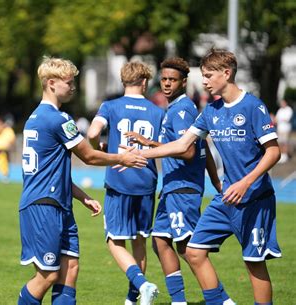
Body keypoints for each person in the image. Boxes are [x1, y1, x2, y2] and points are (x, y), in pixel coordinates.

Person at [134, 49, 281, 305]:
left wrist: (246, 182)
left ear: (227, 73)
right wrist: (142, 152)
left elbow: (274, 152)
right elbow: (183, 145)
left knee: (254, 264)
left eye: (208, 75)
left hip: (255, 198)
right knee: (194, 252)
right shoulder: (210, 110)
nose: (204, 81)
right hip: (226, 199)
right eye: (203, 75)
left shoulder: (252, 106)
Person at [18, 56, 150, 305]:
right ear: (51, 83)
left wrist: (83, 196)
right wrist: (123, 158)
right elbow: (88, 156)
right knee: (47, 276)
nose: (73, 87)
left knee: (70, 269)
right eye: (68, 82)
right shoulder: (56, 118)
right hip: (43, 205)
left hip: (58, 203)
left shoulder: (36, 117)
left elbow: (52, 170)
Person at [125, 57, 234, 305]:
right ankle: (179, 301)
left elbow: (188, 152)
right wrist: (151, 143)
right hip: (172, 188)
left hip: (183, 188)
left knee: (189, 248)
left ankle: (223, 300)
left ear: (183, 82)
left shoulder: (182, 109)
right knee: (160, 242)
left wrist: (148, 149)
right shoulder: (174, 108)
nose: (166, 84)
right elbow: (201, 143)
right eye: (163, 79)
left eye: (172, 80)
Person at [87, 61, 163, 305]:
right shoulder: (157, 111)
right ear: (144, 82)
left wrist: (97, 148)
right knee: (139, 241)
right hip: (147, 183)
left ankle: (142, 285)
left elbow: (91, 133)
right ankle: (133, 299)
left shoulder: (110, 106)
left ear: (123, 81)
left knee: (114, 240)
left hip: (120, 182)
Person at [0, 115, 16, 182]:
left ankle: (5, 176)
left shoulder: (8, 130)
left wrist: (12, 146)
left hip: (6, 149)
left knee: (6, 163)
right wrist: (4, 125)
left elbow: (12, 138)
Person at [275, 99, 293, 163]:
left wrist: (280, 119)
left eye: (283, 103)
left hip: (286, 129)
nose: (282, 104)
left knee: (285, 142)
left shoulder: (289, 109)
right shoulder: (280, 110)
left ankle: (285, 156)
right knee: (280, 142)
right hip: (280, 129)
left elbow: (287, 119)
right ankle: (282, 155)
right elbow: (276, 119)